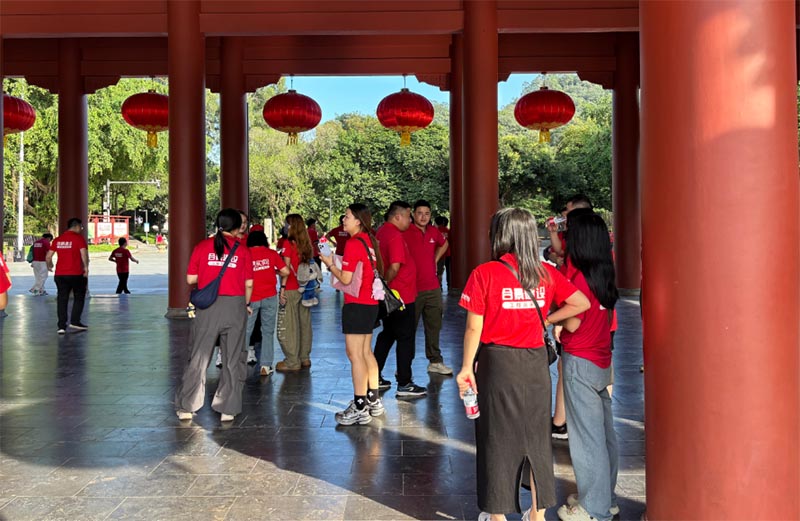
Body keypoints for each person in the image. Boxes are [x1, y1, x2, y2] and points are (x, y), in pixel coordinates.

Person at [456, 208, 590, 521]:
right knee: (537, 438)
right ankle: (537, 514)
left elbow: (474, 328)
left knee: (497, 438)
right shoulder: (545, 273)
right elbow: (580, 303)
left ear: (499, 235)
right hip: (535, 364)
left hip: (498, 364)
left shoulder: (485, 273)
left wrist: (466, 367)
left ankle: (497, 515)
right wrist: (548, 319)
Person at [556, 211, 620, 521]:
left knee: (585, 438)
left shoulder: (580, 278)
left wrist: (551, 316)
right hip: (601, 358)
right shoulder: (604, 273)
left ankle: (593, 510)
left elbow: (572, 322)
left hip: (580, 360)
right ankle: (605, 499)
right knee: (605, 434)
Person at [175, 208, 253, 423]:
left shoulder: (202, 246)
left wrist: (209, 272)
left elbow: (191, 279)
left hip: (208, 308)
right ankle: (228, 408)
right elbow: (248, 283)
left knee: (199, 357)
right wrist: (246, 304)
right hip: (235, 306)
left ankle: (187, 406)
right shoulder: (242, 250)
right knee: (232, 358)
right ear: (237, 227)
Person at [320, 203, 386, 425]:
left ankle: (359, 406)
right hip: (370, 303)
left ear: (358, 221)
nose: (343, 219)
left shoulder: (353, 243)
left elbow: (346, 279)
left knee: (355, 355)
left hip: (357, 304)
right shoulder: (369, 241)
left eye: (347, 216)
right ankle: (373, 400)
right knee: (366, 352)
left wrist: (329, 264)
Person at [373, 201, 427, 397]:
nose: (410, 220)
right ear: (397, 217)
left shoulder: (381, 232)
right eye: (408, 216)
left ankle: (374, 376)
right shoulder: (394, 235)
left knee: (388, 335)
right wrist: (385, 286)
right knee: (405, 338)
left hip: (393, 296)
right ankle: (404, 382)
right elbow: (395, 266)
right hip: (400, 296)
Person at [405, 200, 452, 375]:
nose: (423, 217)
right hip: (412, 288)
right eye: (419, 213)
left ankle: (435, 361)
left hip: (433, 287)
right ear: (413, 214)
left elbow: (445, 244)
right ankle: (404, 364)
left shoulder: (433, 231)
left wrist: (435, 259)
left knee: (434, 325)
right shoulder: (405, 231)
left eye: (426, 213)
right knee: (409, 328)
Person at [245, 229, 290, 377]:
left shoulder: (245, 254)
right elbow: (286, 271)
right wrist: (274, 271)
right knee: (267, 332)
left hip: (251, 298)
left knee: (246, 331)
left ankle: (238, 363)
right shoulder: (271, 254)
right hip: (269, 297)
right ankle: (265, 365)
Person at [275, 214, 314, 372]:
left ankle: (292, 361)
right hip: (306, 288)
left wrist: (282, 289)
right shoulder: (306, 244)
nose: (285, 227)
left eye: (287, 224)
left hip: (291, 287)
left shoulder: (287, 243)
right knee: (304, 323)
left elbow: (286, 269)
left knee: (289, 324)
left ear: (291, 227)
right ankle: (304, 357)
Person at [46, 218, 90, 334]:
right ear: (77, 226)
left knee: (62, 299)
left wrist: (49, 265)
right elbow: (84, 254)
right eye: (81, 227)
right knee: (79, 297)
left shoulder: (58, 240)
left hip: (60, 275)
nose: (81, 229)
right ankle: (75, 321)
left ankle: (61, 326)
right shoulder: (78, 238)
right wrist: (86, 268)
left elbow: (48, 256)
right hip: (76, 274)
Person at [434, 216, 451, 288]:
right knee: (448, 270)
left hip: (439, 254)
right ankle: (449, 283)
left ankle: (439, 285)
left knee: (438, 271)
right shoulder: (448, 231)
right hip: (448, 253)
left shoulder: (436, 231)